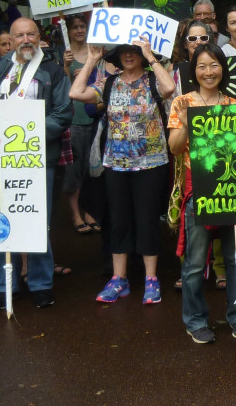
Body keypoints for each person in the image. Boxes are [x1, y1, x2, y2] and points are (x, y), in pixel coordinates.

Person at [0, 17, 72, 310]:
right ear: (12, 39)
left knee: (35, 221)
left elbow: (63, 113)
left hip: (37, 157)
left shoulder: (52, 71)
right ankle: (3, 285)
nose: (26, 40)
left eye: (31, 34)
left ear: (39, 36)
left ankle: (41, 284)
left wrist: (28, 131)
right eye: (20, 36)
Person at [70, 39, 175, 304]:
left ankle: (151, 279)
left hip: (151, 163)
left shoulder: (152, 80)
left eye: (134, 51)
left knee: (147, 220)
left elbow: (170, 87)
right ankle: (119, 279)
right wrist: (93, 59)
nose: (129, 56)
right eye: (123, 52)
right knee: (118, 220)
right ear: (116, 57)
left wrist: (151, 56)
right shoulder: (109, 83)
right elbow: (76, 92)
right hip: (115, 164)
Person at [167, 43, 236, 343]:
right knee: (194, 262)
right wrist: (188, 122)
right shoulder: (181, 103)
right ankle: (195, 320)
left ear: (223, 69)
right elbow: (175, 149)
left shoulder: (234, 104)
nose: (208, 72)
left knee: (234, 256)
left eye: (214, 65)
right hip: (196, 188)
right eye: (202, 66)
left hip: (230, 189)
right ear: (194, 71)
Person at [61, 15, 99, 234]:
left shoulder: (95, 52)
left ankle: (89, 210)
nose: (78, 30)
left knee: (91, 169)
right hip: (73, 119)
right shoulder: (64, 54)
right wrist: (66, 67)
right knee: (73, 170)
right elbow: (62, 89)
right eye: (74, 27)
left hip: (94, 117)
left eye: (82, 26)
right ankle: (75, 213)